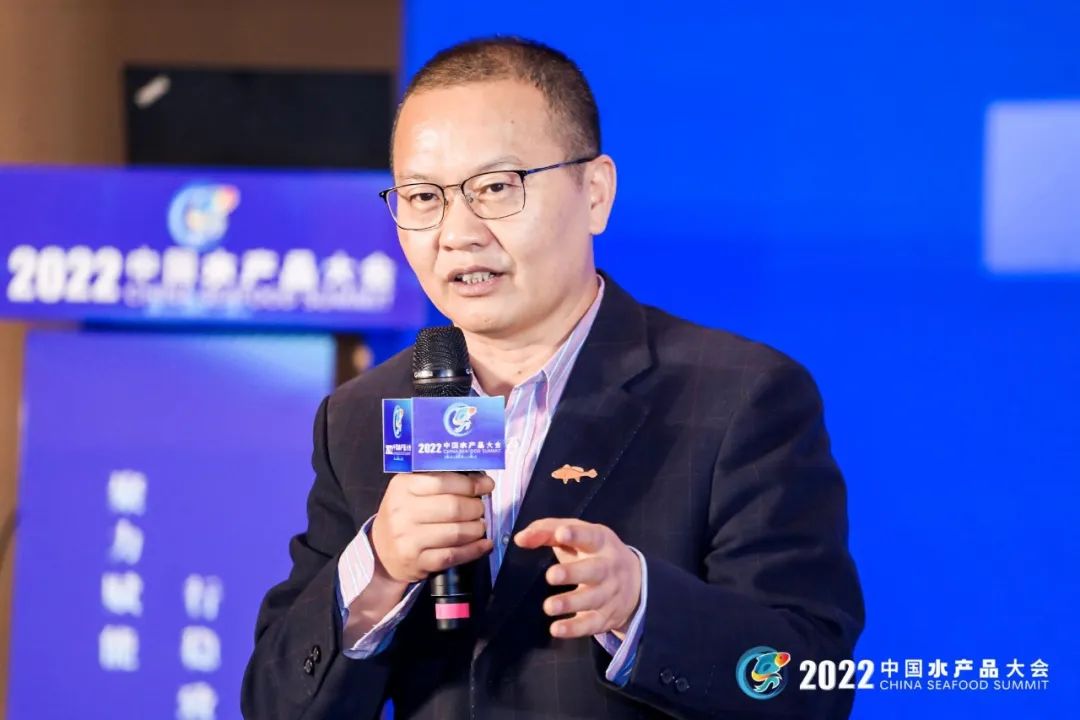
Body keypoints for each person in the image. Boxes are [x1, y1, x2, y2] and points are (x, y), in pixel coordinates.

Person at [242, 36, 864, 719]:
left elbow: (812, 682)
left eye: (496, 188)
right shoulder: (361, 415)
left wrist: (642, 607)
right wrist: (381, 567)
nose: (456, 233)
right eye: (422, 196)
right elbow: (275, 705)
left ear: (595, 193)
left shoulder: (739, 397)